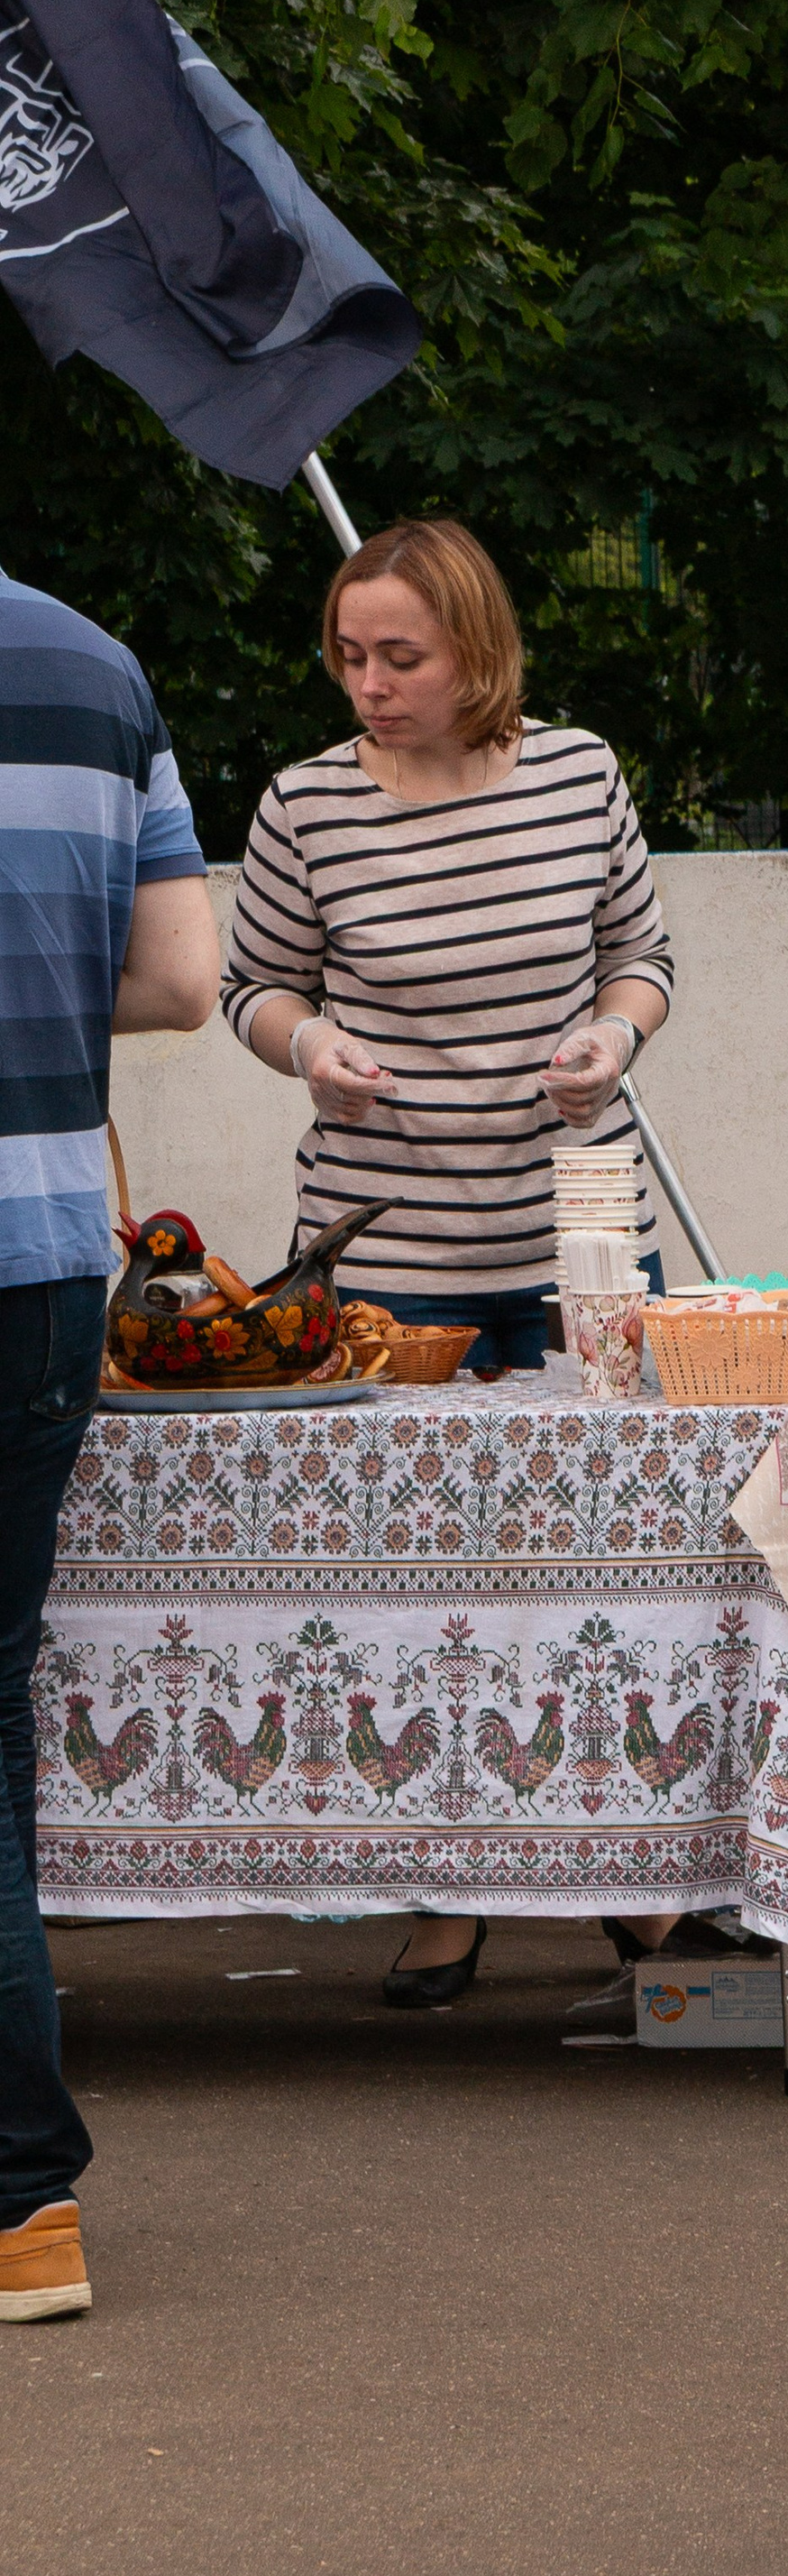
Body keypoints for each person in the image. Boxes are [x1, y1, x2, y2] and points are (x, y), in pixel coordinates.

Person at [220, 518, 681, 2008]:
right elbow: (248, 983)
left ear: (476, 651)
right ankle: (441, 1894)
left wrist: (613, 1033)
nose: (370, 682)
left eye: (400, 656)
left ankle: (640, 1885)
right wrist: (311, 1044)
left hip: (580, 1239)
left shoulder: (579, 772)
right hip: (382, 1254)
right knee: (403, 1584)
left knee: (614, 1565)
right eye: (350, 655)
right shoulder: (305, 806)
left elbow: (644, 955)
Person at [0, 566, 218, 2320]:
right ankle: (23, 2207)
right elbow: (176, 980)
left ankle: (17, 2191)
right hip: (49, 1261)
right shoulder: (92, 661)